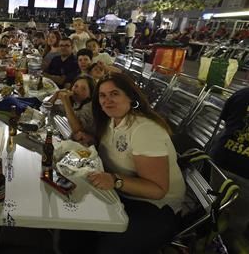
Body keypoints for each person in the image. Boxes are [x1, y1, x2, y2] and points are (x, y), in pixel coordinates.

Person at [61, 73, 185, 254]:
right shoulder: (112, 121)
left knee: (107, 248)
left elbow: (157, 190)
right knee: (72, 228)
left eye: (114, 94)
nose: (107, 100)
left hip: (156, 208)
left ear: (131, 96)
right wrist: (91, 140)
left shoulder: (144, 129)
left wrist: (115, 180)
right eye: (102, 95)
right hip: (122, 195)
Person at [209, 87, 249, 252]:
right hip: (246, 175)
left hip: (220, 161)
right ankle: (229, 241)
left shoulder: (242, 94)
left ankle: (207, 231)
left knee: (215, 202)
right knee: (239, 216)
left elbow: (228, 123)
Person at [49, 75, 96, 144]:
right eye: (76, 86)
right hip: (68, 135)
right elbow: (46, 108)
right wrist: (55, 95)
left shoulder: (90, 106)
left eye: (83, 88)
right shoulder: (75, 102)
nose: (77, 90)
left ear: (90, 94)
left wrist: (66, 101)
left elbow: (77, 130)